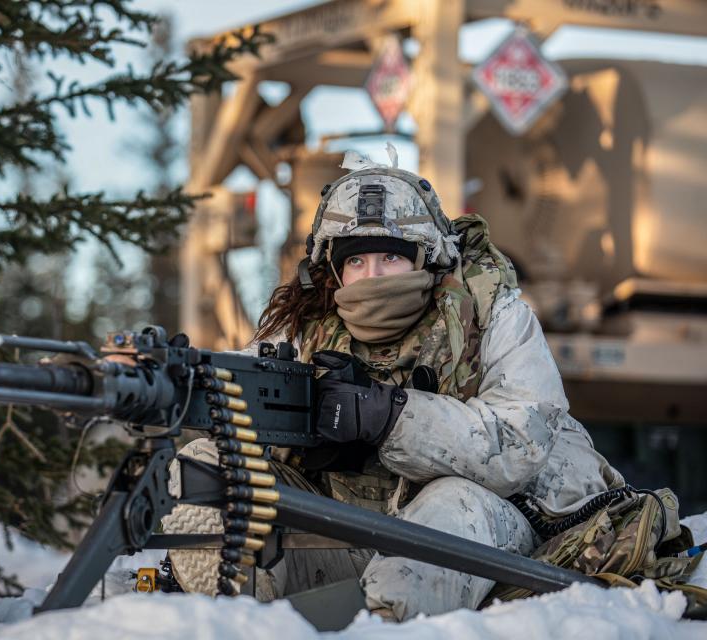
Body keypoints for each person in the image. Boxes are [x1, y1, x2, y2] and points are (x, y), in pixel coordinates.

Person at [162, 149, 624, 621]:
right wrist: (165, 380)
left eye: (389, 257)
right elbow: (236, 385)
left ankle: (380, 628)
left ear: (427, 258)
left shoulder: (493, 313)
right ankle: (233, 620)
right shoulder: (306, 324)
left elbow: (525, 436)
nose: (372, 277)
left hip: (480, 539)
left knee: (453, 502)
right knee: (208, 466)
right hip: (337, 536)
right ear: (333, 268)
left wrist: (390, 417)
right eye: (356, 261)